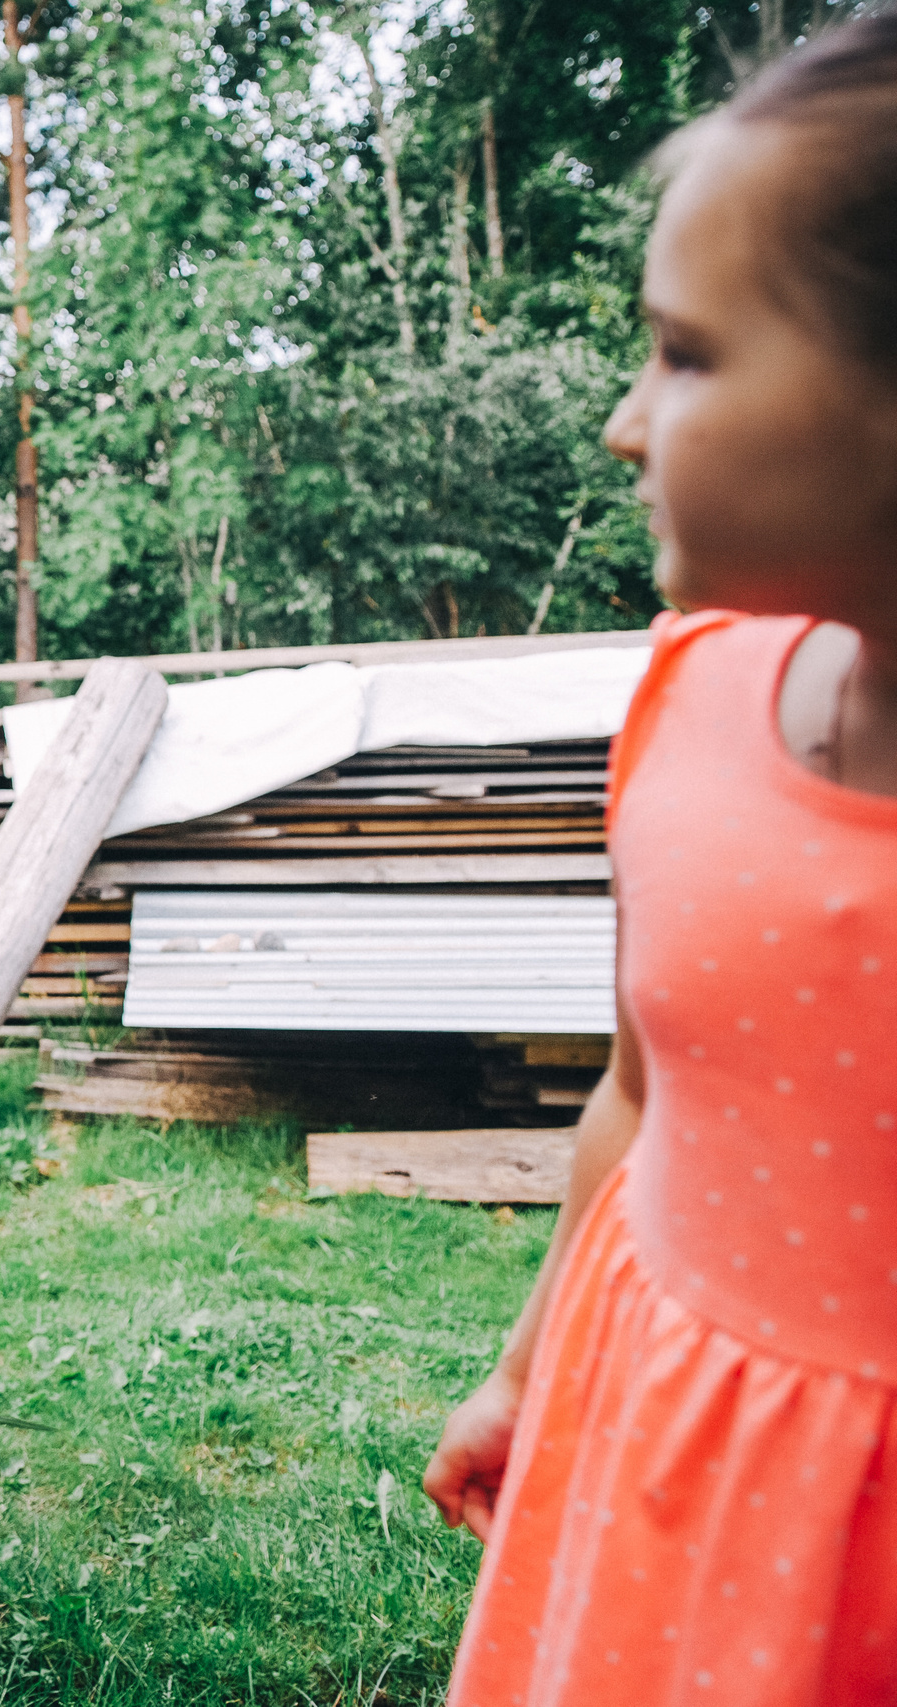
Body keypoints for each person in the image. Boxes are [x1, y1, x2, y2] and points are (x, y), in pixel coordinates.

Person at [422, 19, 897, 1706]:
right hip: (641, 1463)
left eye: (687, 356)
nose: (628, 424)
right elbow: (642, 1098)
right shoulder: (692, 697)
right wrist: (528, 1365)